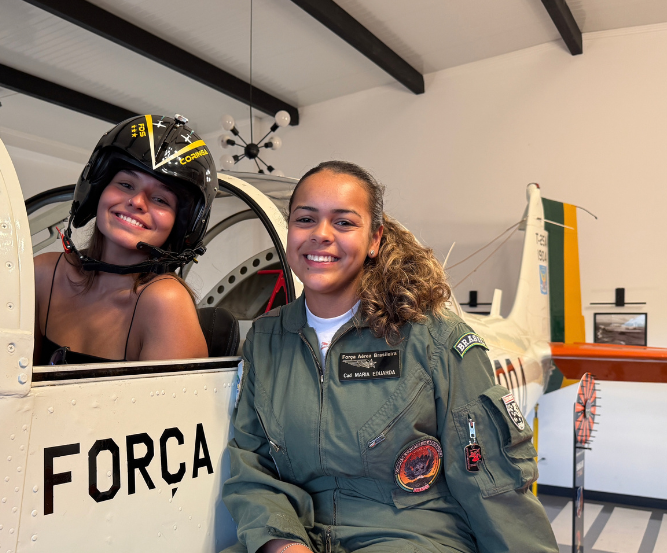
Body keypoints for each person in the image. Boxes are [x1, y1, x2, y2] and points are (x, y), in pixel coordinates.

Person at [222, 161, 557, 553]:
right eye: (305, 219)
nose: (321, 234)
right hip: (301, 536)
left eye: (344, 222)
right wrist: (282, 542)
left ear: (374, 239)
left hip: (414, 537)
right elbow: (253, 465)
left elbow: (491, 481)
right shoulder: (266, 338)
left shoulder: (433, 337)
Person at [33, 114, 217, 366]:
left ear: (182, 225)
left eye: (160, 199)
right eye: (126, 184)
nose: (137, 201)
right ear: (97, 190)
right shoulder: (44, 274)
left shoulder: (165, 301)